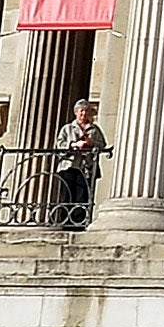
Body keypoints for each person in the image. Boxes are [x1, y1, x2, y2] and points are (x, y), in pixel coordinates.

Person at [55, 98, 107, 231]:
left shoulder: (94, 130)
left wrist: (91, 144)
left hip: (86, 167)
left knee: (82, 195)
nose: (83, 114)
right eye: (81, 111)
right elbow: (59, 145)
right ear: (76, 113)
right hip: (69, 166)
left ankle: (80, 223)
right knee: (67, 194)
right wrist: (73, 145)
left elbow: (102, 145)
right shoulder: (67, 129)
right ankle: (65, 223)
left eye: (86, 111)